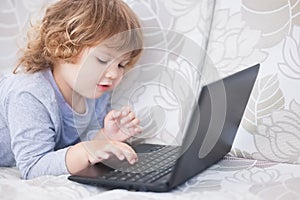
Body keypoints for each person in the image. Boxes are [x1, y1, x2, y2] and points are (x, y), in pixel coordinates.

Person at [0, 0, 143, 179]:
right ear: (60, 45)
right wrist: (85, 151)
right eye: (102, 60)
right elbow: (33, 166)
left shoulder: (96, 91)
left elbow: (80, 149)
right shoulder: (29, 94)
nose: (114, 74)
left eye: (121, 64)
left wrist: (105, 136)